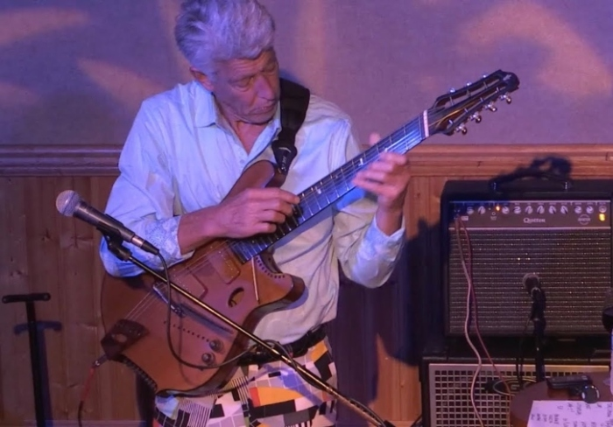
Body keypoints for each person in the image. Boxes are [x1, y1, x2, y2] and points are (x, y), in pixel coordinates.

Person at [99, 0, 411, 426]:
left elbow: (367, 272)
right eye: (245, 80)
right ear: (203, 78)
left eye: (270, 66)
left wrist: (391, 207)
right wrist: (218, 220)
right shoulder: (163, 121)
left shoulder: (327, 130)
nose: (267, 91)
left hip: (296, 368)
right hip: (191, 370)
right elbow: (117, 253)